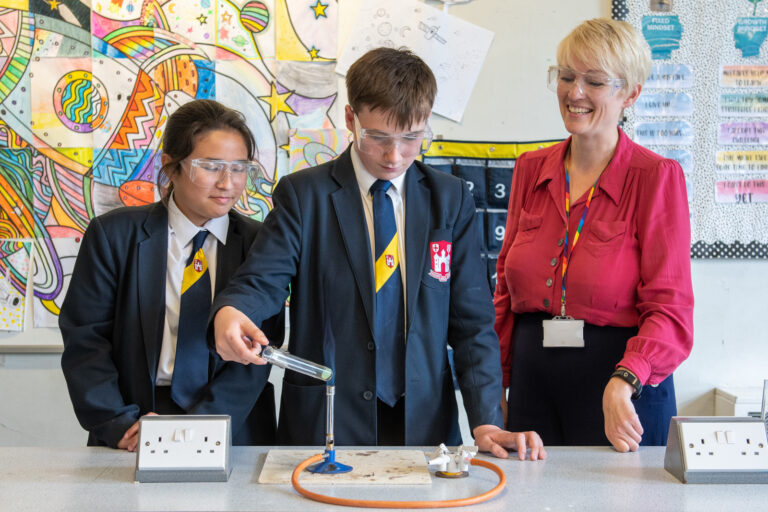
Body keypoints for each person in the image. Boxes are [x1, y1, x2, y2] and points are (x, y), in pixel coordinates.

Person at [211, 48, 545, 460]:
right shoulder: (305, 196)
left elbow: (472, 323)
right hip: (328, 419)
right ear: (351, 120)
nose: (394, 156)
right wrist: (233, 311)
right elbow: (262, 279)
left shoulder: (450, 199)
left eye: (411, 138)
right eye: (379, 137)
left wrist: (486, 418)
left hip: (425, 421)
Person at [494, 18, 693, 451]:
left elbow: (671, 310)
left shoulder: (657, 177)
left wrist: (625, 380)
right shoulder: (531, 168)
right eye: (566, 76)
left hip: (621, 388)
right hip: (534, 385)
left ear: (631, 93)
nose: (574, 92)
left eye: (594, 82)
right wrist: (497, 385)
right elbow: (505, 297)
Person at [60, 99, 284, 450]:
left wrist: (197, 432)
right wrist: (117, 421)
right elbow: (86, 340)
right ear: (171, 166)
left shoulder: (261, 244)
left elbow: (259, 351)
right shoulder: (114, 235)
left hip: (231, 425)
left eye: (239, 168)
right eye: (210, 167)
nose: (228, 183)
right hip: (135, 424)